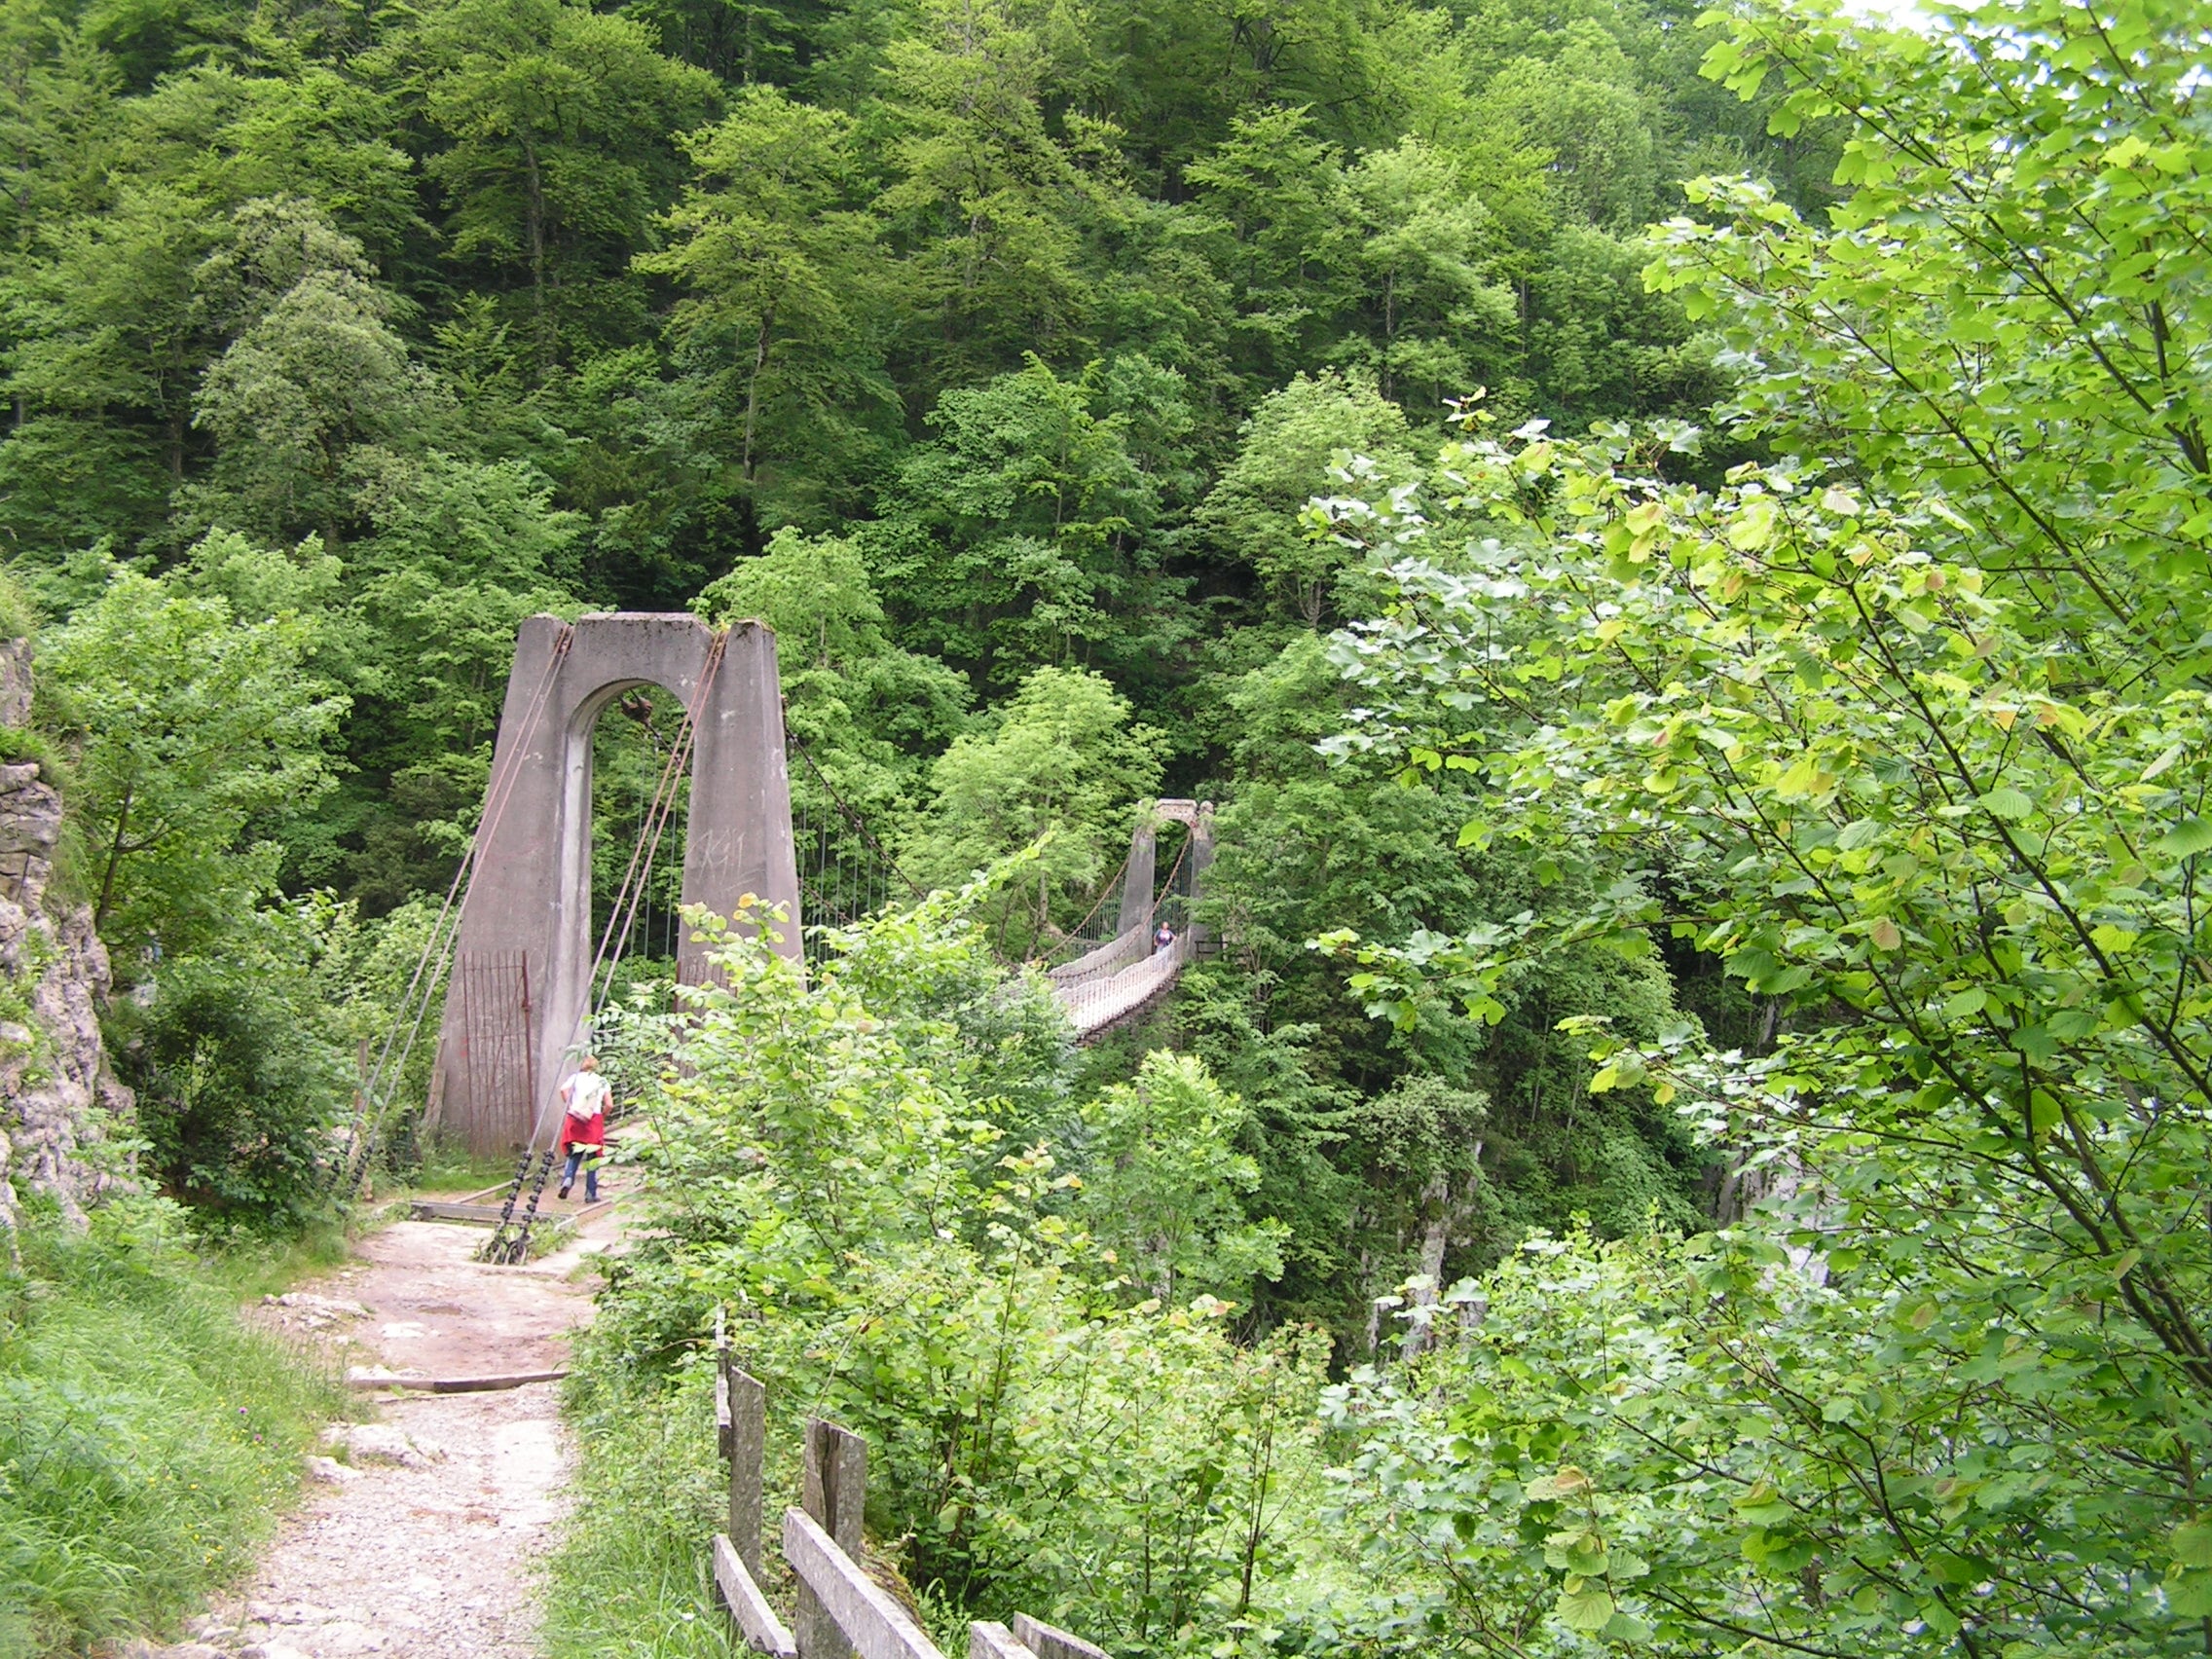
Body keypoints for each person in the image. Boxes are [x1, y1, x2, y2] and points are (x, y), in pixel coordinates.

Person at [556, 1054, 609, 1201]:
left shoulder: (575, 1078)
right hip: (594, 1119)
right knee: (593, 1157)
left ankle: (568, 1179)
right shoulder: (602, 1081)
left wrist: (572, 1106)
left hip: (575, 1119)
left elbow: (563, 1090)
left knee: (574, 1154)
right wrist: (603, 1115)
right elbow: (609, 1104)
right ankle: (590, 1193)